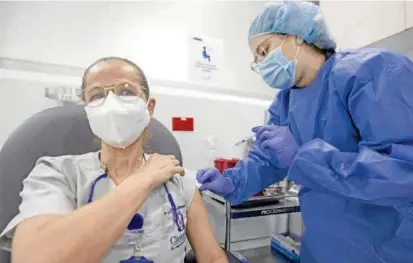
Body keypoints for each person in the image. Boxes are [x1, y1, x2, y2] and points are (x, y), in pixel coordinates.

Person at [197, 2, 413, 263]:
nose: (263, 63)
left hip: (381, 245)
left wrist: (304, 156)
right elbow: (268, 160)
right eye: (258, 59)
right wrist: (233, 181)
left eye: (265, 50)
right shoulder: (284, 102)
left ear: (296, 35)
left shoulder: (371, 72)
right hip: (322, 245)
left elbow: (401, 168)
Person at [0, 57, 228, 263]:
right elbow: (35, 257)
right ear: (87, 110)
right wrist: (142, 180)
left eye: (126, 92)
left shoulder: (179, 179)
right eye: (97, 95)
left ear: (149, 107)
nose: (111, 103)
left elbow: (212, 257)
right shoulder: (56, 174)